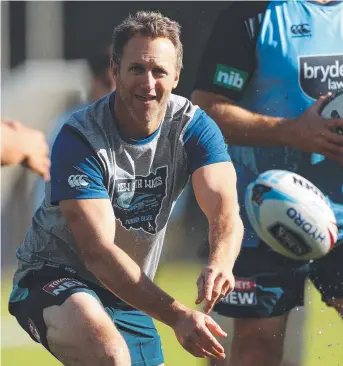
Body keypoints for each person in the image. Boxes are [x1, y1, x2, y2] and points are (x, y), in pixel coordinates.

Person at [9, 11, 244, 366]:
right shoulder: (80, 137)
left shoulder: (193, 128)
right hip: (53, 278)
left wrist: (220, 261)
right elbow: (98, 253)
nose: (148, 83)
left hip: (124, 291)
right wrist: (178, 316)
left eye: (159, 71)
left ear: (177, 76)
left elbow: (225, 209)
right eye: (136, 69)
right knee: (111, 355)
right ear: (114, 71)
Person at [191, 1, 343, 366]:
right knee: (257, 347)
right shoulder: (251, 14)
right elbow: (206, 108)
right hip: (265, 211)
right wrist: (292, 133)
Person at [33, 45, 116, 211]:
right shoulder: (71, 127)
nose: (115, 92)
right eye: (108, 83)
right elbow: (46, 192)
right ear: (94, 81)